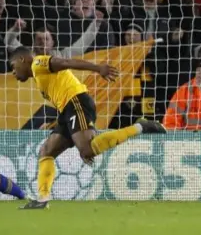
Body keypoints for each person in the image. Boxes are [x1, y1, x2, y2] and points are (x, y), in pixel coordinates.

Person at [9, 46, 167, 209]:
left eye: (13, 66)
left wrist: (98, 68)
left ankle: (140, 127)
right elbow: (62, 91)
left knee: (87, 149)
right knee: (46, 151)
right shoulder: (38, 75)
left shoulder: (38, 63)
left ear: (22, 59)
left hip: (76, 102)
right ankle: (42, 198)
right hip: (67, 109)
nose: (13, 72)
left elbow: (65, 62)